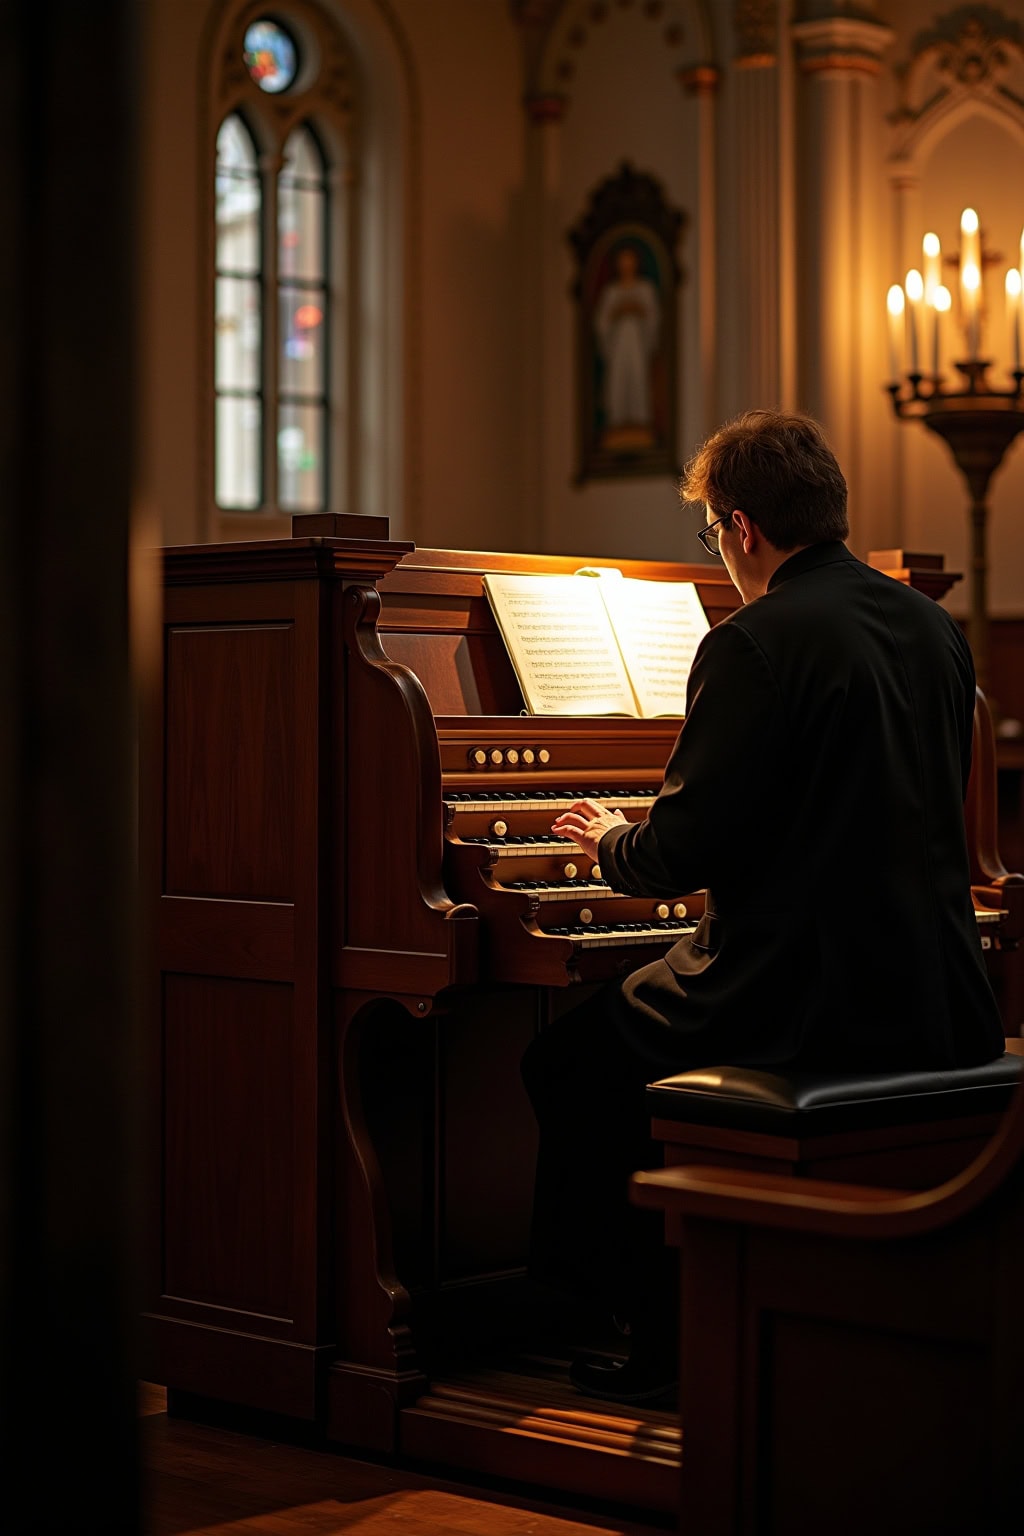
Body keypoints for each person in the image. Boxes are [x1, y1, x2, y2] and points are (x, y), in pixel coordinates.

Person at [521, 408, 1005, 1405]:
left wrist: (607, 838)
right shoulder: (928, 626)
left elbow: (678, 850)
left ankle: (648, 1331)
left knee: (567, 1063)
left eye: (713, 535)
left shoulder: (754, 642)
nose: (722, 555)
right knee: (605, 1041)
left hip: (798, 997)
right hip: (937, 990)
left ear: (741, 528)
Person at [594, 245, 660, 448]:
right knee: (618, 382)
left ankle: (639, 419)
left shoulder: (645, 289)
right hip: (619, 348)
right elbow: (601, 323)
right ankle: (618, 421)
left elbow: (654, 319)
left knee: (637, 379)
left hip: (637, 347)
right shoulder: (612, 291)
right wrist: (618, 312)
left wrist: (637, 310)